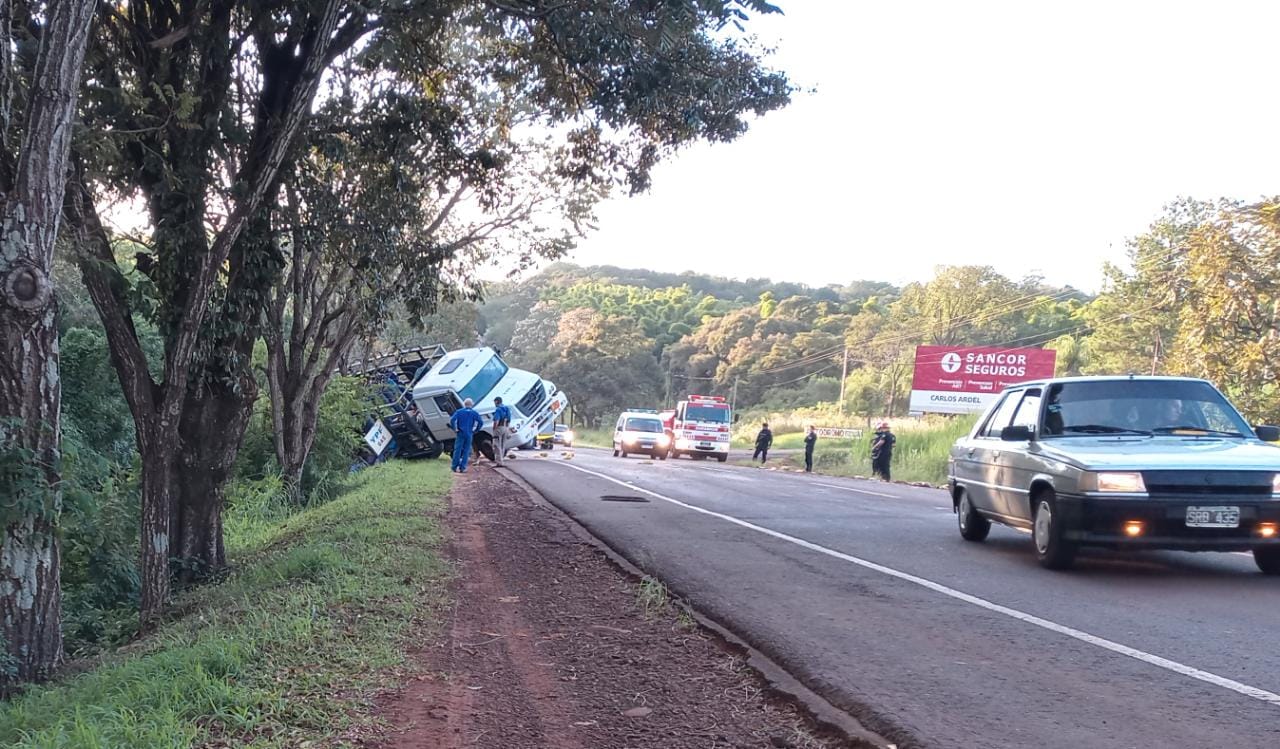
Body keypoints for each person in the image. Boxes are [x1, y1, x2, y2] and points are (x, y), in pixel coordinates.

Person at [449, 398, 483, 473]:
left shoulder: (459, 412)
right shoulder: (474, 413)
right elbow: (480, 422)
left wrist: (455, 428)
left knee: (457, 450)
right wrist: (476, 430)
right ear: (472, 404)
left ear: (464, 404)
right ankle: (463, 467)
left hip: (460, 432)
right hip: (469, 433)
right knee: (466, 451)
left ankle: (454, 466)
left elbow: (452, 420)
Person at [492, 397, 512, 466]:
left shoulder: (498, 409)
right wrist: (507, 428)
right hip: (505, 427)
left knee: (496, 445)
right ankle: (502, 460)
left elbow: (496, 420)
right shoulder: (506, 408)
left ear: (497, 401)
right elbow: (509, 419)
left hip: (499, 427)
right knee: (503, 445)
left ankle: (499, 462)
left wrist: (494, 428)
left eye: (494, 402)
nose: (494, 404)